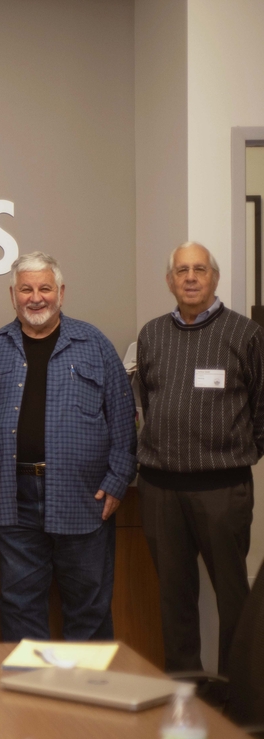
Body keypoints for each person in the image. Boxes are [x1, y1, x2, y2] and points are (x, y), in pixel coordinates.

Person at [0, 252, 136, 642]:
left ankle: (86, 683)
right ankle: (32, 684)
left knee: (89, 606)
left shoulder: (93, 343)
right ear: (12, 295)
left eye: (45, 288)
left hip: (83, 496)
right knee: (19, 605)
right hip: (13, 497)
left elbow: (123, 416)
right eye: (26, 289)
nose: (36, 298)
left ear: (61, 292)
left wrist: (117, 481)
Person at [136, 242, 262, 674]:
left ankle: (236, 691)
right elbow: (148, 401)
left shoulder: (245, 334)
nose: (190, 278)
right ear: (169, 280)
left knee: (233, 596)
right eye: (182, 270)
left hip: (222, 488)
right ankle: (185, 685)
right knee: (174, 595)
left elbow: (261, 408)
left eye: (200, 269)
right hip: (160, 488)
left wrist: (235, 452)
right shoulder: (151, 334)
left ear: (215, 277)